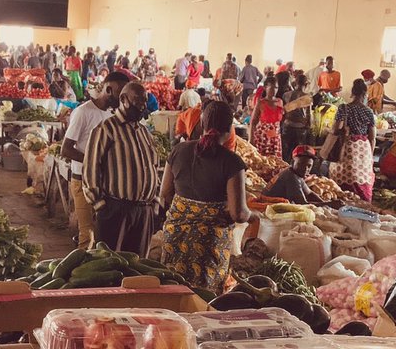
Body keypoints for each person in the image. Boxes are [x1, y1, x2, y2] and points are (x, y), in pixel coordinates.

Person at [160, 100, 250, 290]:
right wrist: (253, 215)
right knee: (205, 300)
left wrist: (188, 212)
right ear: (229, 129)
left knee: (174, 291)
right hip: (209, 245)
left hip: (175, 238)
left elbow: (165, 194)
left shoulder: (178, 151)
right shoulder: (232, 162)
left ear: (201, 123)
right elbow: (238, 214)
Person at [83, 80, 160, 254]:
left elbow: (153, 167)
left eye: (145, 100)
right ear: (124, 99)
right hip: (115, 211)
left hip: (143, 212)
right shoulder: (106, 129)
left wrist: (154, 202)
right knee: (110, 267)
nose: (143, 105)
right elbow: (91, 169)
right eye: (138, 100)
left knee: (137, 267)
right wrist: (100, 205)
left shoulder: (144, 132)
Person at [62, 72, 129, 249]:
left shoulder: (112, 116)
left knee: (103, 234)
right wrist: (95, 161)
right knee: (87, 235)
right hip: (82, 180)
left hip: (104, 183)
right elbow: (66, 149)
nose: (123, 100)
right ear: (108, 89)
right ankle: (79, 273)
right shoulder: (83, 112)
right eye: (120, 94)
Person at [329, 78, 376, 201]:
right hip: (363, 150)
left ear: (353, 92)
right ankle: (362, 204)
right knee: (361, 179)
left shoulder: (344, 108)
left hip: (347, 148)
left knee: (342, 177)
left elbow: (335, 130)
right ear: (365, 94)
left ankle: (340, 202)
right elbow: (372, 137)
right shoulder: (369, 112)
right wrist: (370, 157)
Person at [249, 77, 284, 158]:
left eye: (276, 88)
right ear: (265, 88)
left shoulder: (280, 102)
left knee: (276, 163)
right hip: (263, 138)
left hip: (275, 138)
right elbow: (253, 122)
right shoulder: (261, 103)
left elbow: (280, 120)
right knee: (263, 162)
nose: (274, 90)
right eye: (272, 87)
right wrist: (251, 139)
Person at [281, 70, 312, 159]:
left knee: (286, 150)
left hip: (287, 125)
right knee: (297, 151)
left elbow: (283, 111)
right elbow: (309, 115)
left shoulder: (286, 95)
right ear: (306, 85)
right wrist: (308, 127)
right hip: (300, 127)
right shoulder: (307, 97)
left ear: (295, 83)